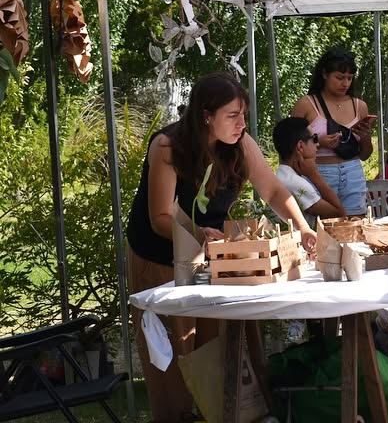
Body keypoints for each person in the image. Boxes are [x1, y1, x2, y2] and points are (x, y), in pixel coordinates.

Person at [125, 73, 317, 423]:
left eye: (244, 114)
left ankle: (222, 413)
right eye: (233, 115)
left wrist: (303, 227)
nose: (242, 124)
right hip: (158, 258)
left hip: (211, 256)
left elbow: (273, 191)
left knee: (217, 344)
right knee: (176, 350)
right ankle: (177, 415)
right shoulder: (167, 147)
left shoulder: (242, 144)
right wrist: (200, 234)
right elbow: (160, 217)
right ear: (206, 116)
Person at [292, 48, 376, 215]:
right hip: (319, 172)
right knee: (322, 230)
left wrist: (364, 135)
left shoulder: (359, 106)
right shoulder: (306, 104)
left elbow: (366, 154)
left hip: (353, 171)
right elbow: (290, 147)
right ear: (324, 74)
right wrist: (318, 142)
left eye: (349, 78)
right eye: (339, 77)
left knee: (354, 227)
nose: (345, 83)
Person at [272, 116, 347, 227]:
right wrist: (314, 175)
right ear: (300, 146)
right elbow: (339, 215)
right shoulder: (294, 183)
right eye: (314, 138)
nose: (317, 144)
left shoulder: (282, 175)